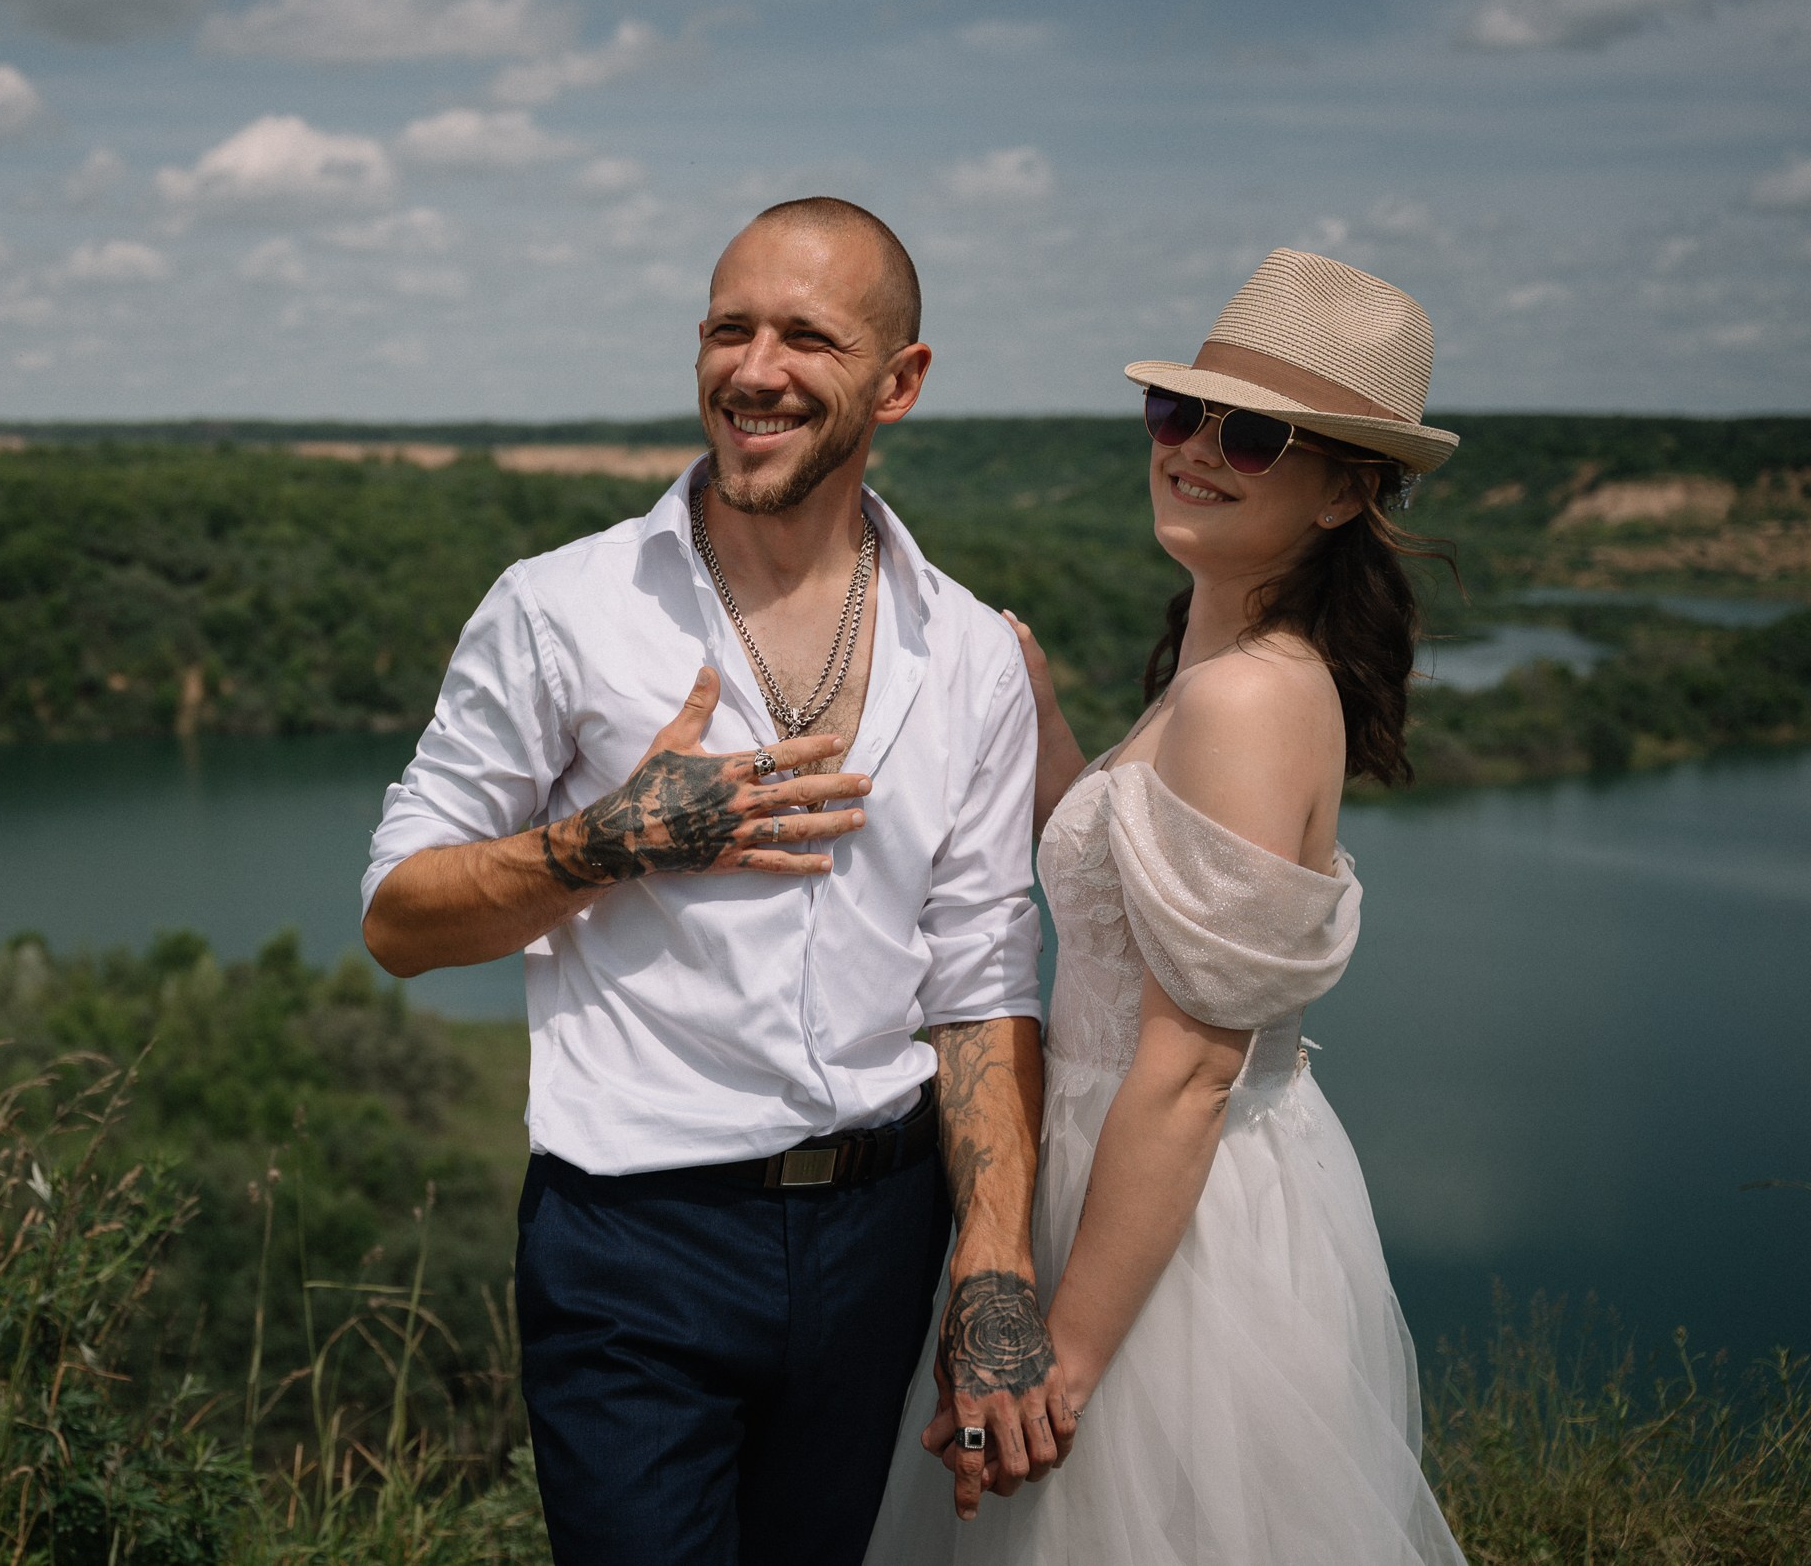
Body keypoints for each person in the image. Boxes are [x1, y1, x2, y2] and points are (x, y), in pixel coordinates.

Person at [361, 197, 1061, 1565]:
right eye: (728, 330)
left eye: (808, 336)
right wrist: (609, 841)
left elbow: (982, 979)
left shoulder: (971, 653)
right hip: (635, 1243)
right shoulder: (561, 609)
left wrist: (994, 1264)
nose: (757, 370)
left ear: (901, 382)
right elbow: (398, 921)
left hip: (881, 1237)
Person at [866, 248, 1471, 1563]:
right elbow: (1135, 901)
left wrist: (1058, 1366)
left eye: (1250, 434)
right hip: (1140, 1179)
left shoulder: (1248, 695)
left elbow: (1191, 1068)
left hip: (1163, 1229)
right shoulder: (1227, 659)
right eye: (1177, 411)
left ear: (1342, 492)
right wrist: (1030, 705)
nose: (1195, 448)